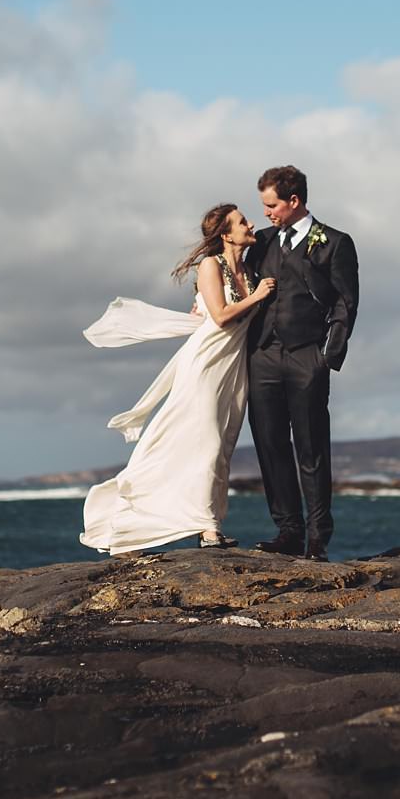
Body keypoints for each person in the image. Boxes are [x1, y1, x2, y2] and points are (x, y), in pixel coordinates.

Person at [79, 204, 275, 555]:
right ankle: (207, 529)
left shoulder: (248, 268)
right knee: (207, 443)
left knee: (222, 447)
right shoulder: (209, 265)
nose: (251, 224)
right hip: (204, 365)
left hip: (232, 368)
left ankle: (205, 524)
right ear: (226, 234)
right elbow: (219, 316)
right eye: (243, 221)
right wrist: (258, 296)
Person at [245, 165, 359, 562]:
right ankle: (287, 531)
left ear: (294, 201)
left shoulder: (334, 242)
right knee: (270, 444)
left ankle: (317, 538)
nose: (266, 213)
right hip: (261, 356)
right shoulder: (259, 243)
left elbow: (346, 303)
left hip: (307, 357)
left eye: (271, 205)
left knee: (311, 449)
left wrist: (327, 357)